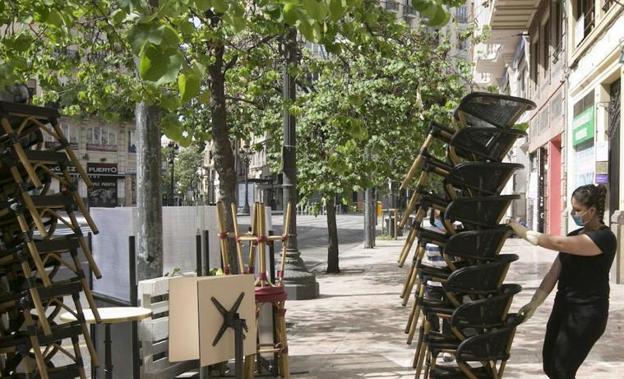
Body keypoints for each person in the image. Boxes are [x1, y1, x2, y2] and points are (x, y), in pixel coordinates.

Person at [508, 184, 617, 379]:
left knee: (562, 370)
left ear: (592, 211)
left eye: (577, 210)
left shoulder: (604, 238)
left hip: (587, 313)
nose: (573, 214)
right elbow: (553, 273)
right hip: (563, 307)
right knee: (550, 366)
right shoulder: (574, 236)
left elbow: (557, 243)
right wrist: (534, 303)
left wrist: (524, 232)